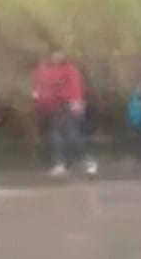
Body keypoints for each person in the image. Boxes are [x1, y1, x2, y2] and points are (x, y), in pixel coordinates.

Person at [33, 47, 97, 176]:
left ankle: (86, 161)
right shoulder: (46, 70)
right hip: (55, 107)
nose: (56, 58)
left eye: (59, 55)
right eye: (54, 55)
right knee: (56, 137)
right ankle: (62, 163)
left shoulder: (70, 70)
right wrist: (41, 98)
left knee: (72, 136)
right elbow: (42, 87)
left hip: (69, 106)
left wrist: (74, 101)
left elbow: (74, 88)